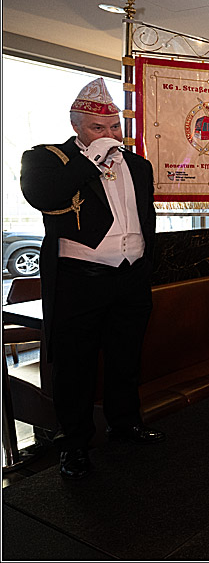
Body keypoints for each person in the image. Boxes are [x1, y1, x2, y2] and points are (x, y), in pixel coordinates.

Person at [20, 78, 164, 480]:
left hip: (131, 277)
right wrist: (89, 160)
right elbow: (44, 196)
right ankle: (75, 444)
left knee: (125, 356)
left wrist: (144, 262)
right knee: (75, 366)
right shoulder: (47, 159)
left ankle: (125, 424)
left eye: (114, 127)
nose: (110, 136)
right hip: (79, 279)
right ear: (76, 126)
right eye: (98, 129)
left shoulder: (137, 164)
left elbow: (143, 216)